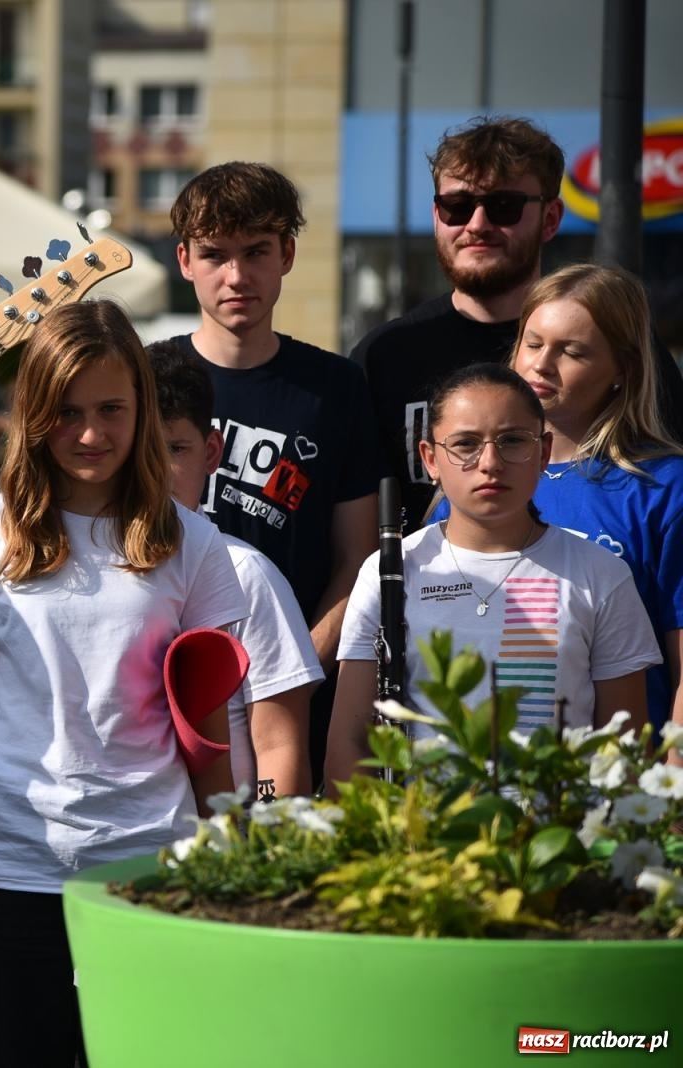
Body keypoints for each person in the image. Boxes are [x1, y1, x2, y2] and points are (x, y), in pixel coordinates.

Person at [0, 300, 247, 1068]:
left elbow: (209, 734)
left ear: (143, 409)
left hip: (152, 874)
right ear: (32, 416)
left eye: (110, 410)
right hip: (8, 875)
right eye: (66, 412)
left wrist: (226, 867)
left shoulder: (194, 543)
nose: (90, 434)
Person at [325, 363, 659, 786]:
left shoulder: (600, 573)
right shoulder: (390, 570)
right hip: (421, 825)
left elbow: (623, 750)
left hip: (559, 827)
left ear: (543, 451)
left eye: (513, 441)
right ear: (430, 459)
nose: (490, 463)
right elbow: (351, 741)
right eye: (465, 444)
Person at [351, 116, 683, 532]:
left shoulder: (612, 345)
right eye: (457, 206)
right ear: (436, 215)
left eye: (504, 207)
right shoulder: (384, 354)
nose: (477, 224)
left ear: (550, 218)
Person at [168, 161, 378, 787]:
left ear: (287, 254)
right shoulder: (143, 377)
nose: (237, 276)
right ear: (185, 261)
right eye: (215, 254)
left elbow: (357, 559)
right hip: (161, 689)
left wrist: (293, 669)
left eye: (256, 251)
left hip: (294, 698)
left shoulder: (337, 388)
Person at [435, 264, 683, 737]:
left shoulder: (664, 488)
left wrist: (671, 774)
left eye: (571, 351)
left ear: (623, 369)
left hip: (616, 763)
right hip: (478, 757)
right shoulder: (478, 478)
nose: (542, 364)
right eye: (532, 344)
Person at [147, 340, 321, 798]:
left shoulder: (248, 573)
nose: (158, 472)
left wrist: (264, 838)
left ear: (211, 452)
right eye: (142, 451)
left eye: (175, 448)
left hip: (226, 835)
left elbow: (281, 746)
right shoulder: (89, 562)